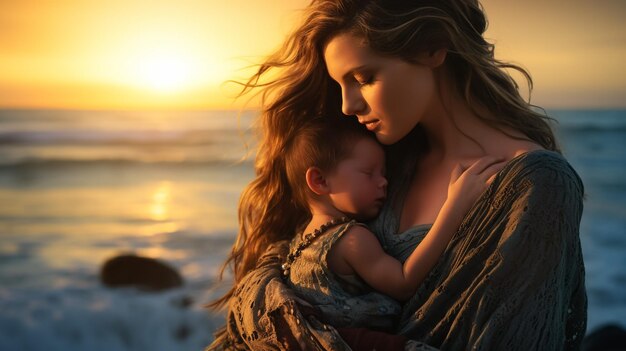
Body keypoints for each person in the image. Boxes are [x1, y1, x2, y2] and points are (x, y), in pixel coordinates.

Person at [208, 0, 587, 350]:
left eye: (364, 77)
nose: (347, 104)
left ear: (433, 49)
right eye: (341, 85)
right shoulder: (387, 163)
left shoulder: (535, 182)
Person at [278, 116, 503, 349]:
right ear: (320, 180)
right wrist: (454, 208)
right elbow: (404, 282)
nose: (384, 182)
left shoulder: (303, 238)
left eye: (383, 173)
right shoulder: (351, 239)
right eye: (369, 173)